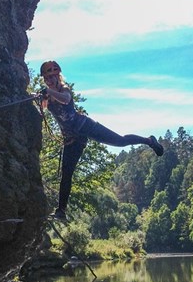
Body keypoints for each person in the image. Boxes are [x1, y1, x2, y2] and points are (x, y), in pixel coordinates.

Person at [38, 60, 164, 221]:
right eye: (47, 78)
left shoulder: (64, 89)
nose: (50, 80)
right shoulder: (48, 94)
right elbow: (43, 106)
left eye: (52, 77)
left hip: (85, 126)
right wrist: (41, 96)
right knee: (66, 174)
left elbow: (66, 99)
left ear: (57, 77)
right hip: (71, 139)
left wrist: (49, 91)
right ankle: (61, 211)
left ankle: (149, 141)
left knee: (119, 141)